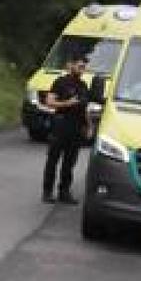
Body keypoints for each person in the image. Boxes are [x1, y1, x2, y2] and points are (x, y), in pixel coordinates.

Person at [42, 54, 91, 204]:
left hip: (76, 128)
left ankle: (64, 192)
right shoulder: (60, 82)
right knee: (53, 159)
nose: (82, 69)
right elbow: (49, 102)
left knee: (70, 162)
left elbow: (84, 108)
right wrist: (67, 103)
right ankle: (47, 192)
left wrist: (89, 126)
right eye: (79, 66)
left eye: (84, 67)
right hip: (61, 125)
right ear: (71, 65)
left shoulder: (83, 86)